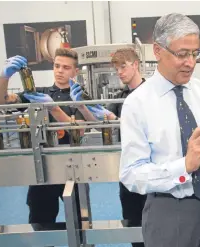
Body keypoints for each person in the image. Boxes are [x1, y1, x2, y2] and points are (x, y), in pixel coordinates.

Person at [119, 13, 200, 247]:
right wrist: (184, 166)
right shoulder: (137, 103)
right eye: (182, 54)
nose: (190, 62)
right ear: (158, 51)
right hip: (171, 210)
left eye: (195, 53)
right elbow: (131, 174)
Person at [0, 48, 93, 227]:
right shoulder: (36, 94)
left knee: (80, 226)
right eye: (57, 66)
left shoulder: (80, 98)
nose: (60, 70)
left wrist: (54, 108)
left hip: (74, 167)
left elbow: (80, 130)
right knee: (40, 226)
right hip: (42, 169)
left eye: (66, 67)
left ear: (75, 71)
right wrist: (4, 77)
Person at [70, 47, 147, 247]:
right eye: (117, 68)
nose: (119, 72)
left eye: (123, 66)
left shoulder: (152, 94)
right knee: (132, 222)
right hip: (128, 171)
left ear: (135, 65)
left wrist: (118, 120)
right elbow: (99, 123)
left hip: (150, 168)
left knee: (154, 224)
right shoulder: (120, 96)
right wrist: (83, 107)